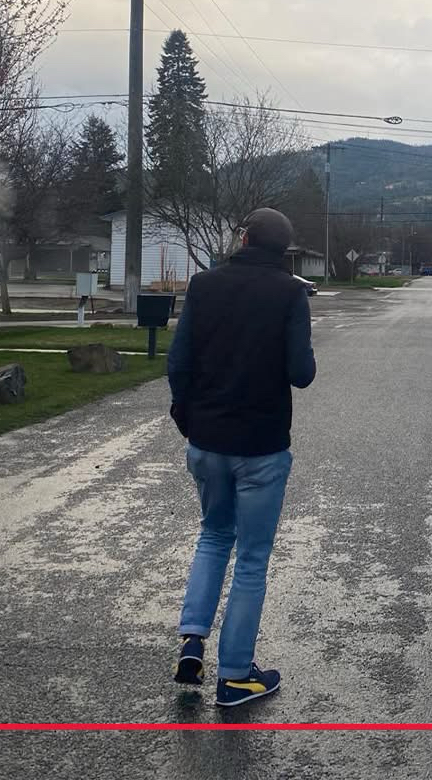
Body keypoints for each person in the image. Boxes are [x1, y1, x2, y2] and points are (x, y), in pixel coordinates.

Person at [167, 207, 316, 707]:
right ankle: (234, 676)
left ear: (245, 238)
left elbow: (178, 362)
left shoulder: (203, 285)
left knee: (213, 535)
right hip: (261, 446)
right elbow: (301, 373)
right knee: (251, 559)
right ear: (283, 250)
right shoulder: (290, 293)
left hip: (207, 441)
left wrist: (188, 417)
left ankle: (192, 641)